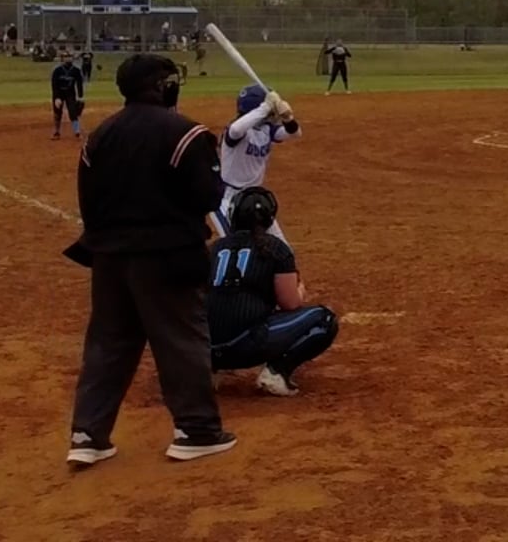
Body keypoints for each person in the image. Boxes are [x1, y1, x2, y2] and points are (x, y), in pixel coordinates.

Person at [62, 53, 234, 467]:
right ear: (159, 86)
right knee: (180, 339)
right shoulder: (186, 132)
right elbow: (209, 196)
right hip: (168, 255)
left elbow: (88, 201)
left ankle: (87, 435)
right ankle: (196, 430)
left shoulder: (99, 136)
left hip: (109, 257)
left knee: (107, 344)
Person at [207, 186, 338, 397]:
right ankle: (277, 372)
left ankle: (206, 371)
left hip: (206, 347)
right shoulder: (275, 249)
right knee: (325, 320)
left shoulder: (215, 248)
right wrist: (300, 289)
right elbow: (290, 303)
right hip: (245, 345)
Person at [216, 85, 299, 242]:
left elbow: (294, 133)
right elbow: (236, 129)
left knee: (281, 247)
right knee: (238, 245)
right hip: (229, 199)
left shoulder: (266, 129)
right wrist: (265, 107)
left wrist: (288, 118)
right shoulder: (236, 130)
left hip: (255, 197)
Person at [51, 49, 87, 141]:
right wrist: (57, 98)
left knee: (73, 112)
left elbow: (79, 84)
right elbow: (54, 85)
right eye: (66, 57)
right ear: (62, 59)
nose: (68, 59)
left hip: (70, 93)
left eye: (69, 57)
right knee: (57, 112)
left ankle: (77, 132)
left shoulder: (76, 71)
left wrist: (80, 96)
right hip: (59, 93)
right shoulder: (57, 71)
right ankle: (56, 132)